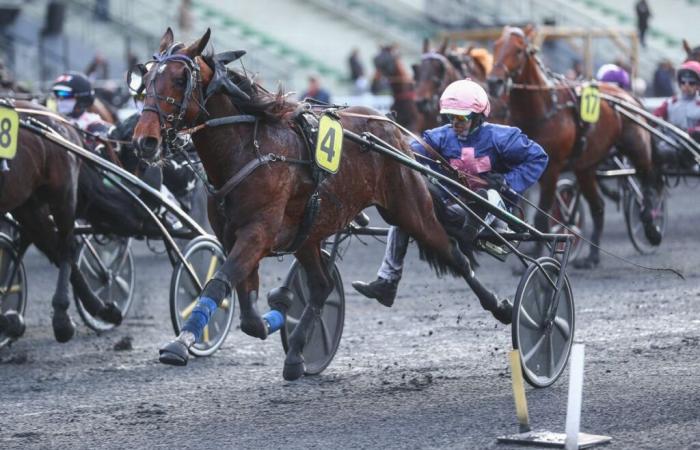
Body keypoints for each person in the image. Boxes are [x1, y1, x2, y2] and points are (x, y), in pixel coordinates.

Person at [352, 79, 548, 318]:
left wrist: (509, 182)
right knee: (403, 214)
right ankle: (387, 281)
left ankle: (471, 229)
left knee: (487, 195)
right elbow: (410, 154)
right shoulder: (439, 138)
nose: (455, 124)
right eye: (450, 118)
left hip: (496, 218)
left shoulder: (503, 138)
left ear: (478, 116)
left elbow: (539, 158)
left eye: (461, 118)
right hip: (452, 211)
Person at [653, 61, 700, 166]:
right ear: (679, 84)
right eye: (683, 82)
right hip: (671, 143)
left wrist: (692, 132)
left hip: (693, 147)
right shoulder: (670, 102)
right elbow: (654, 119)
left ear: (698, 85)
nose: (686, 86)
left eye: (691, 83)